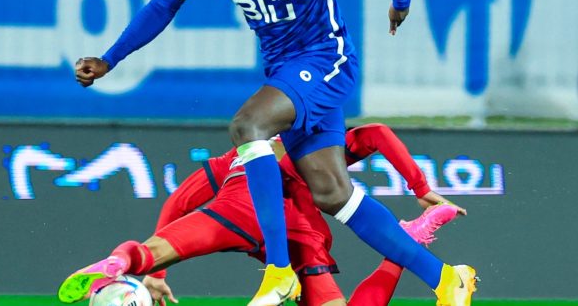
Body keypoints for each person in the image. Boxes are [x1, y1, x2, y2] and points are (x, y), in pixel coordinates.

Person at [74, 0, 476, 305]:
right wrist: (109, 59)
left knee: (249, 126)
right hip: (287, 72)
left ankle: (279, 271)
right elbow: (162, 6)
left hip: (326, 60)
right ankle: (447, 280)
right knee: (334, 194)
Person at [57, 124, 466, 306]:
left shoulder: (236, 156)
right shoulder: (312, 146)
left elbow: (179, 200)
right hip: (298, 239)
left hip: (228, 214)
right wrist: (419, 188)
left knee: (153, 251)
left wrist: (157, 274)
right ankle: (404, 244)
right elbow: (376, 133)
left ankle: (120, 263)